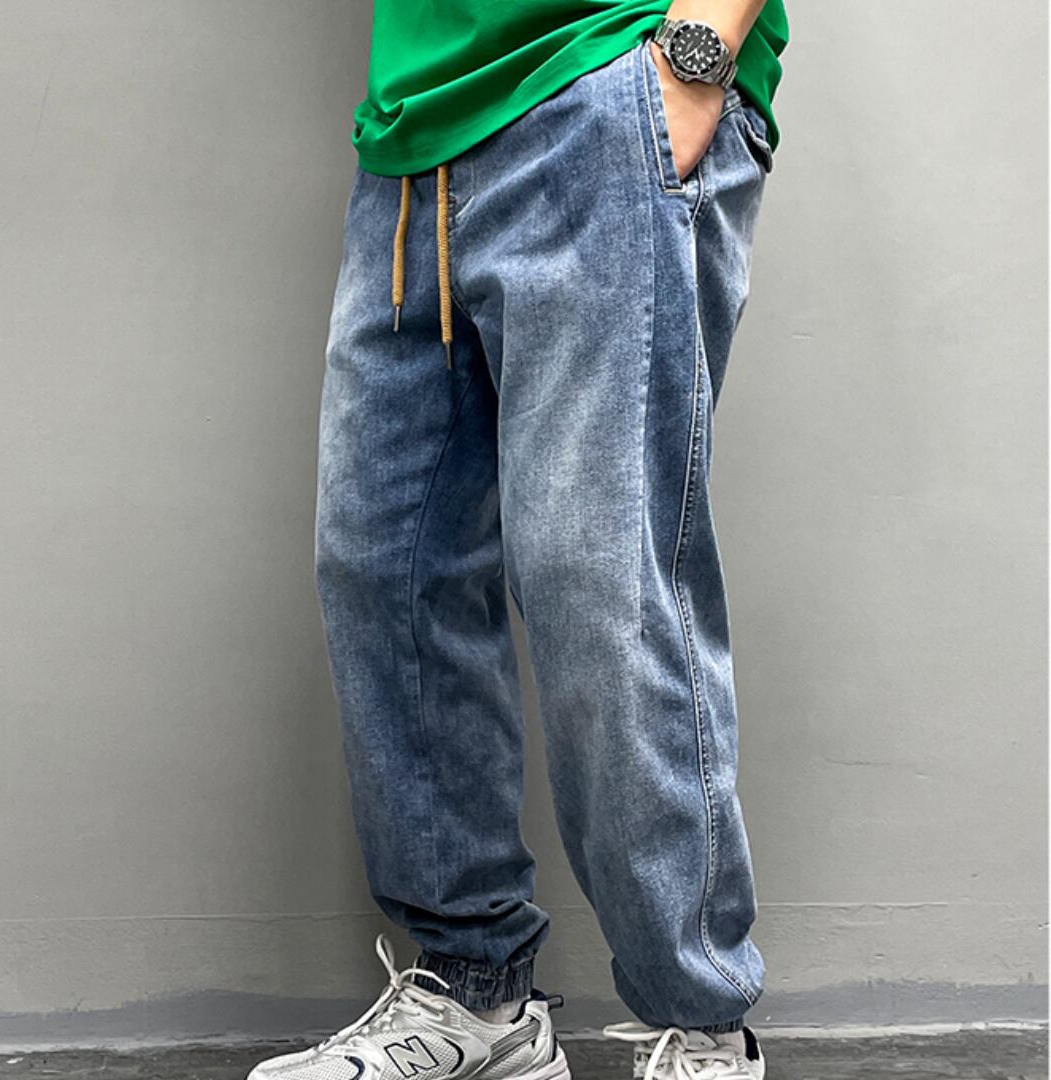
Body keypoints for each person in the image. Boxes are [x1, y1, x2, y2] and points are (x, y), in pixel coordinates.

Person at [251, 2, 787, 1078]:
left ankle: (703, 1029)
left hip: (604, 77)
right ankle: (478, 996)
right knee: (385, 573)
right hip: (415, 135)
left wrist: (692, 63)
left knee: (600, 579)